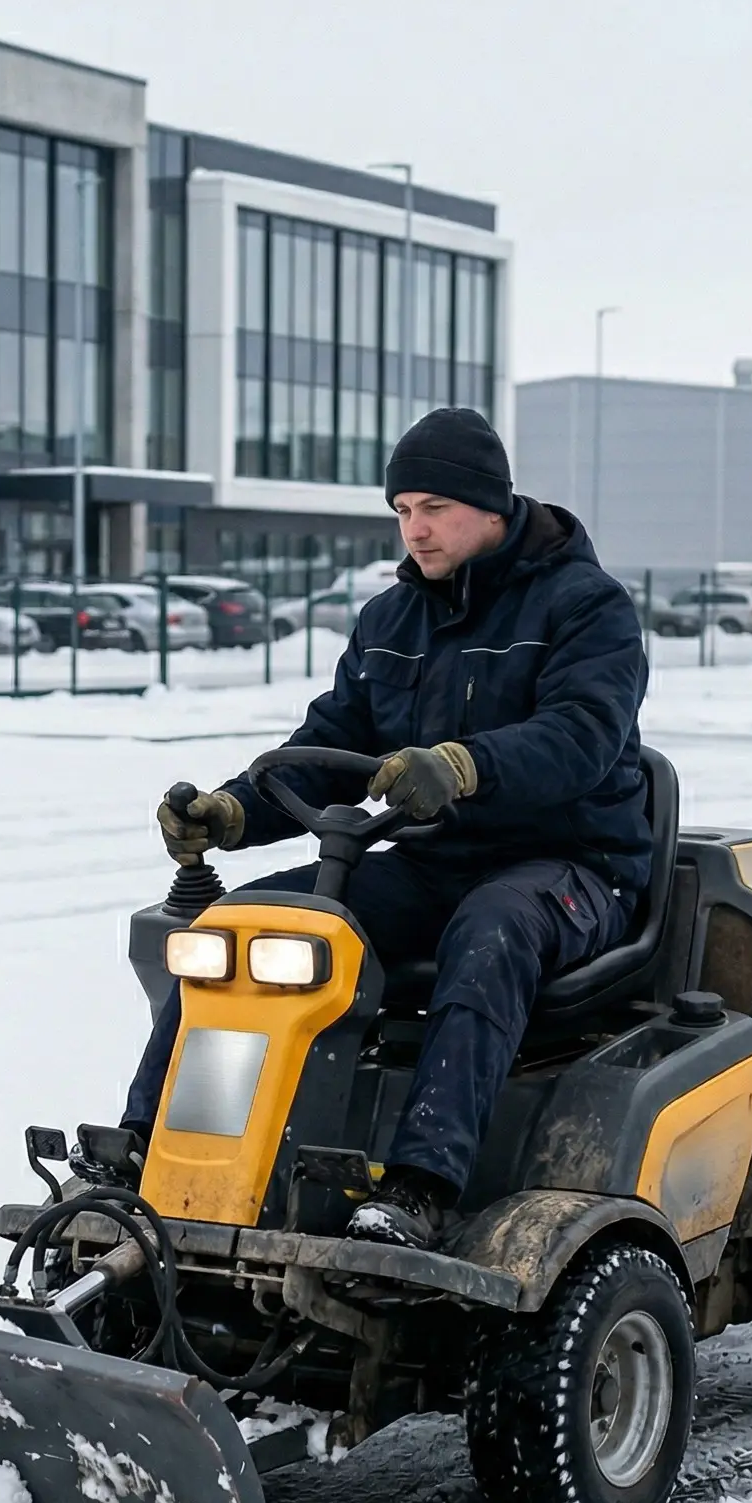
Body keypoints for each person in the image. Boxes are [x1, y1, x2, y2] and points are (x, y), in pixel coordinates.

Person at [106, 406, 652, 1249]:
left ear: (492, 507)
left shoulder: (586, 607)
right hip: (436, 863)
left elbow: (582, 737)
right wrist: (235, 810)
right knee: (246, 924)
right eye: (402, 510)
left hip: (573, 867)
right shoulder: (392, 621)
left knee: (493, 930)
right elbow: (331, 745)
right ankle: (143, 1152)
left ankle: (421, 1184)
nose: (415, 529)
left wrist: (465, 765)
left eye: (434, 508)